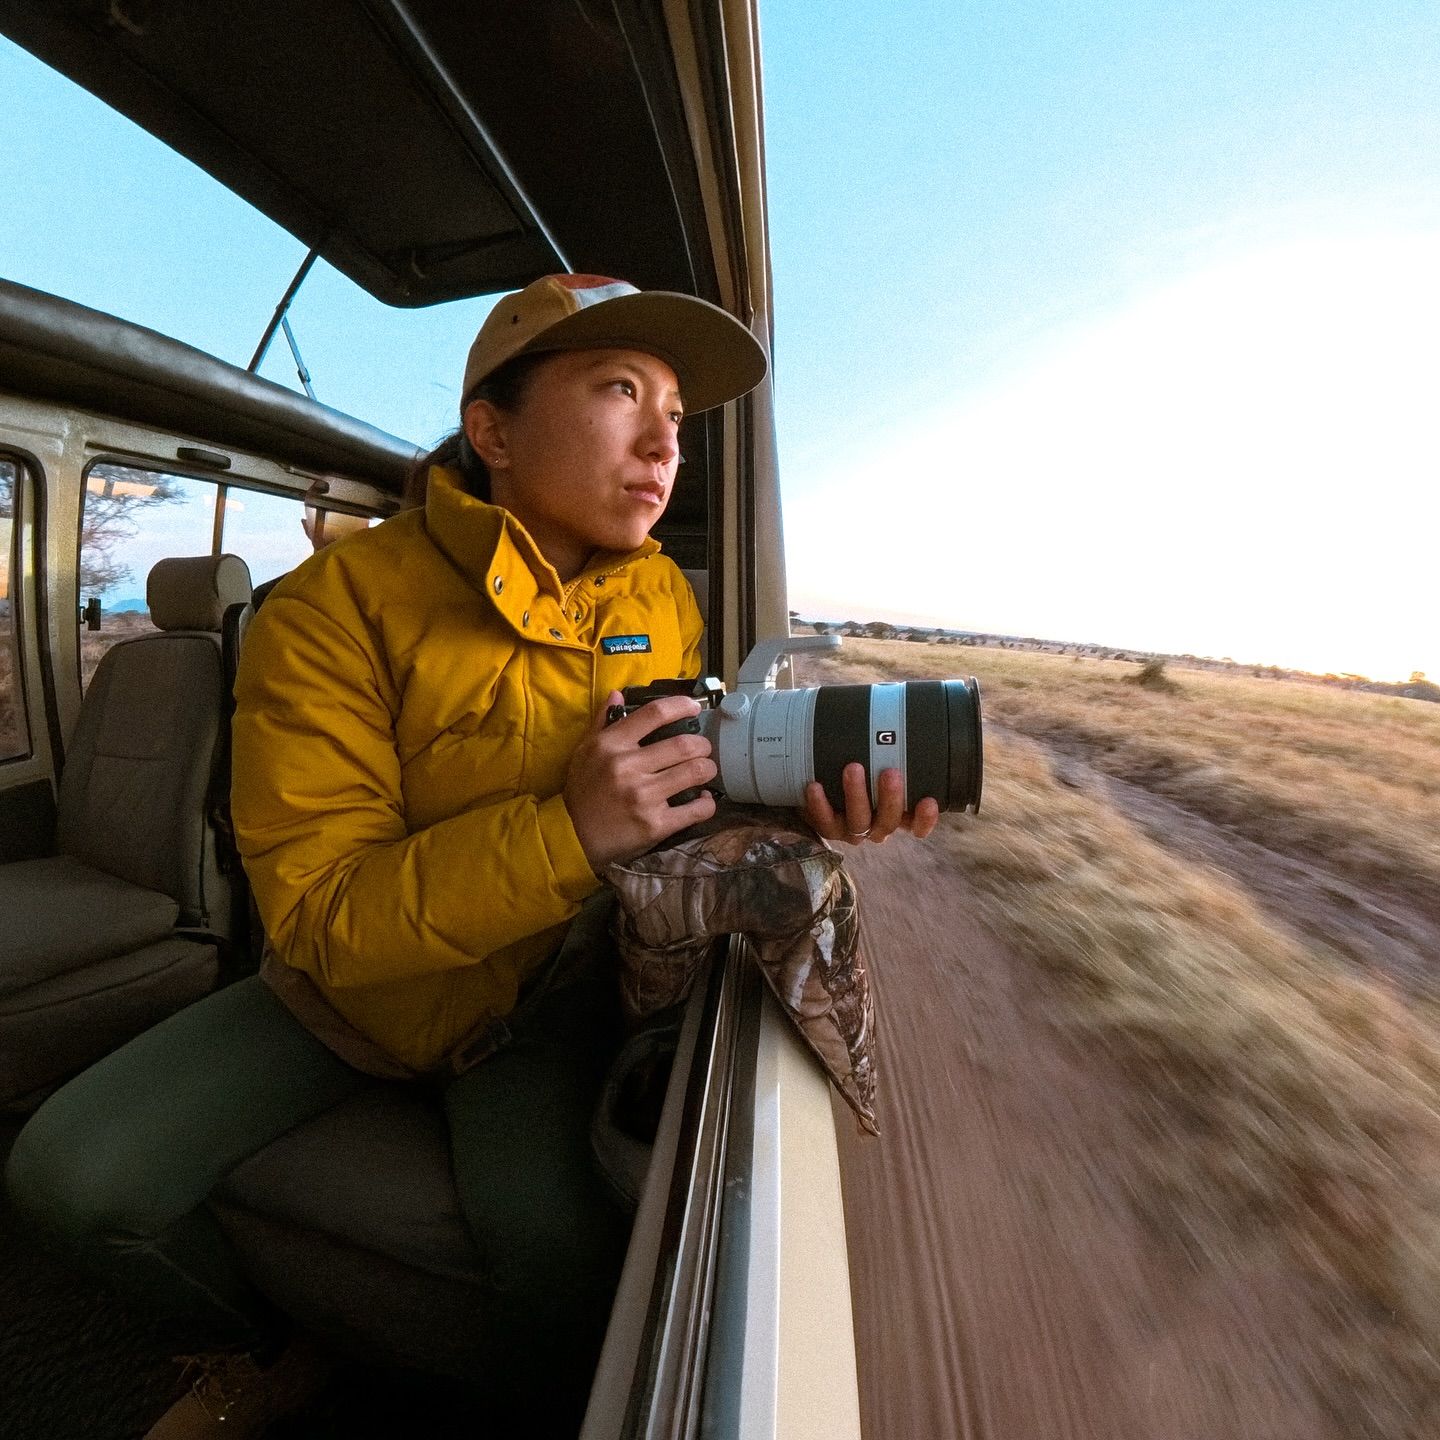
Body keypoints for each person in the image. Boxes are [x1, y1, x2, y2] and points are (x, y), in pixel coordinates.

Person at [4, 274, 938, 1439]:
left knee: (566, 1268)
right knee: (66, 1182)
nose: (664, 443)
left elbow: (681, 800)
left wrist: (797, 811)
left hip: (543, 1004)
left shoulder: (662, 595)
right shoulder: (334, 610)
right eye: (620, 391)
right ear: (492, 432)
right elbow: (320, 916)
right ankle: (261, 1347)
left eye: (676, 417)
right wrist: (568, 831)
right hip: (347, 1003)